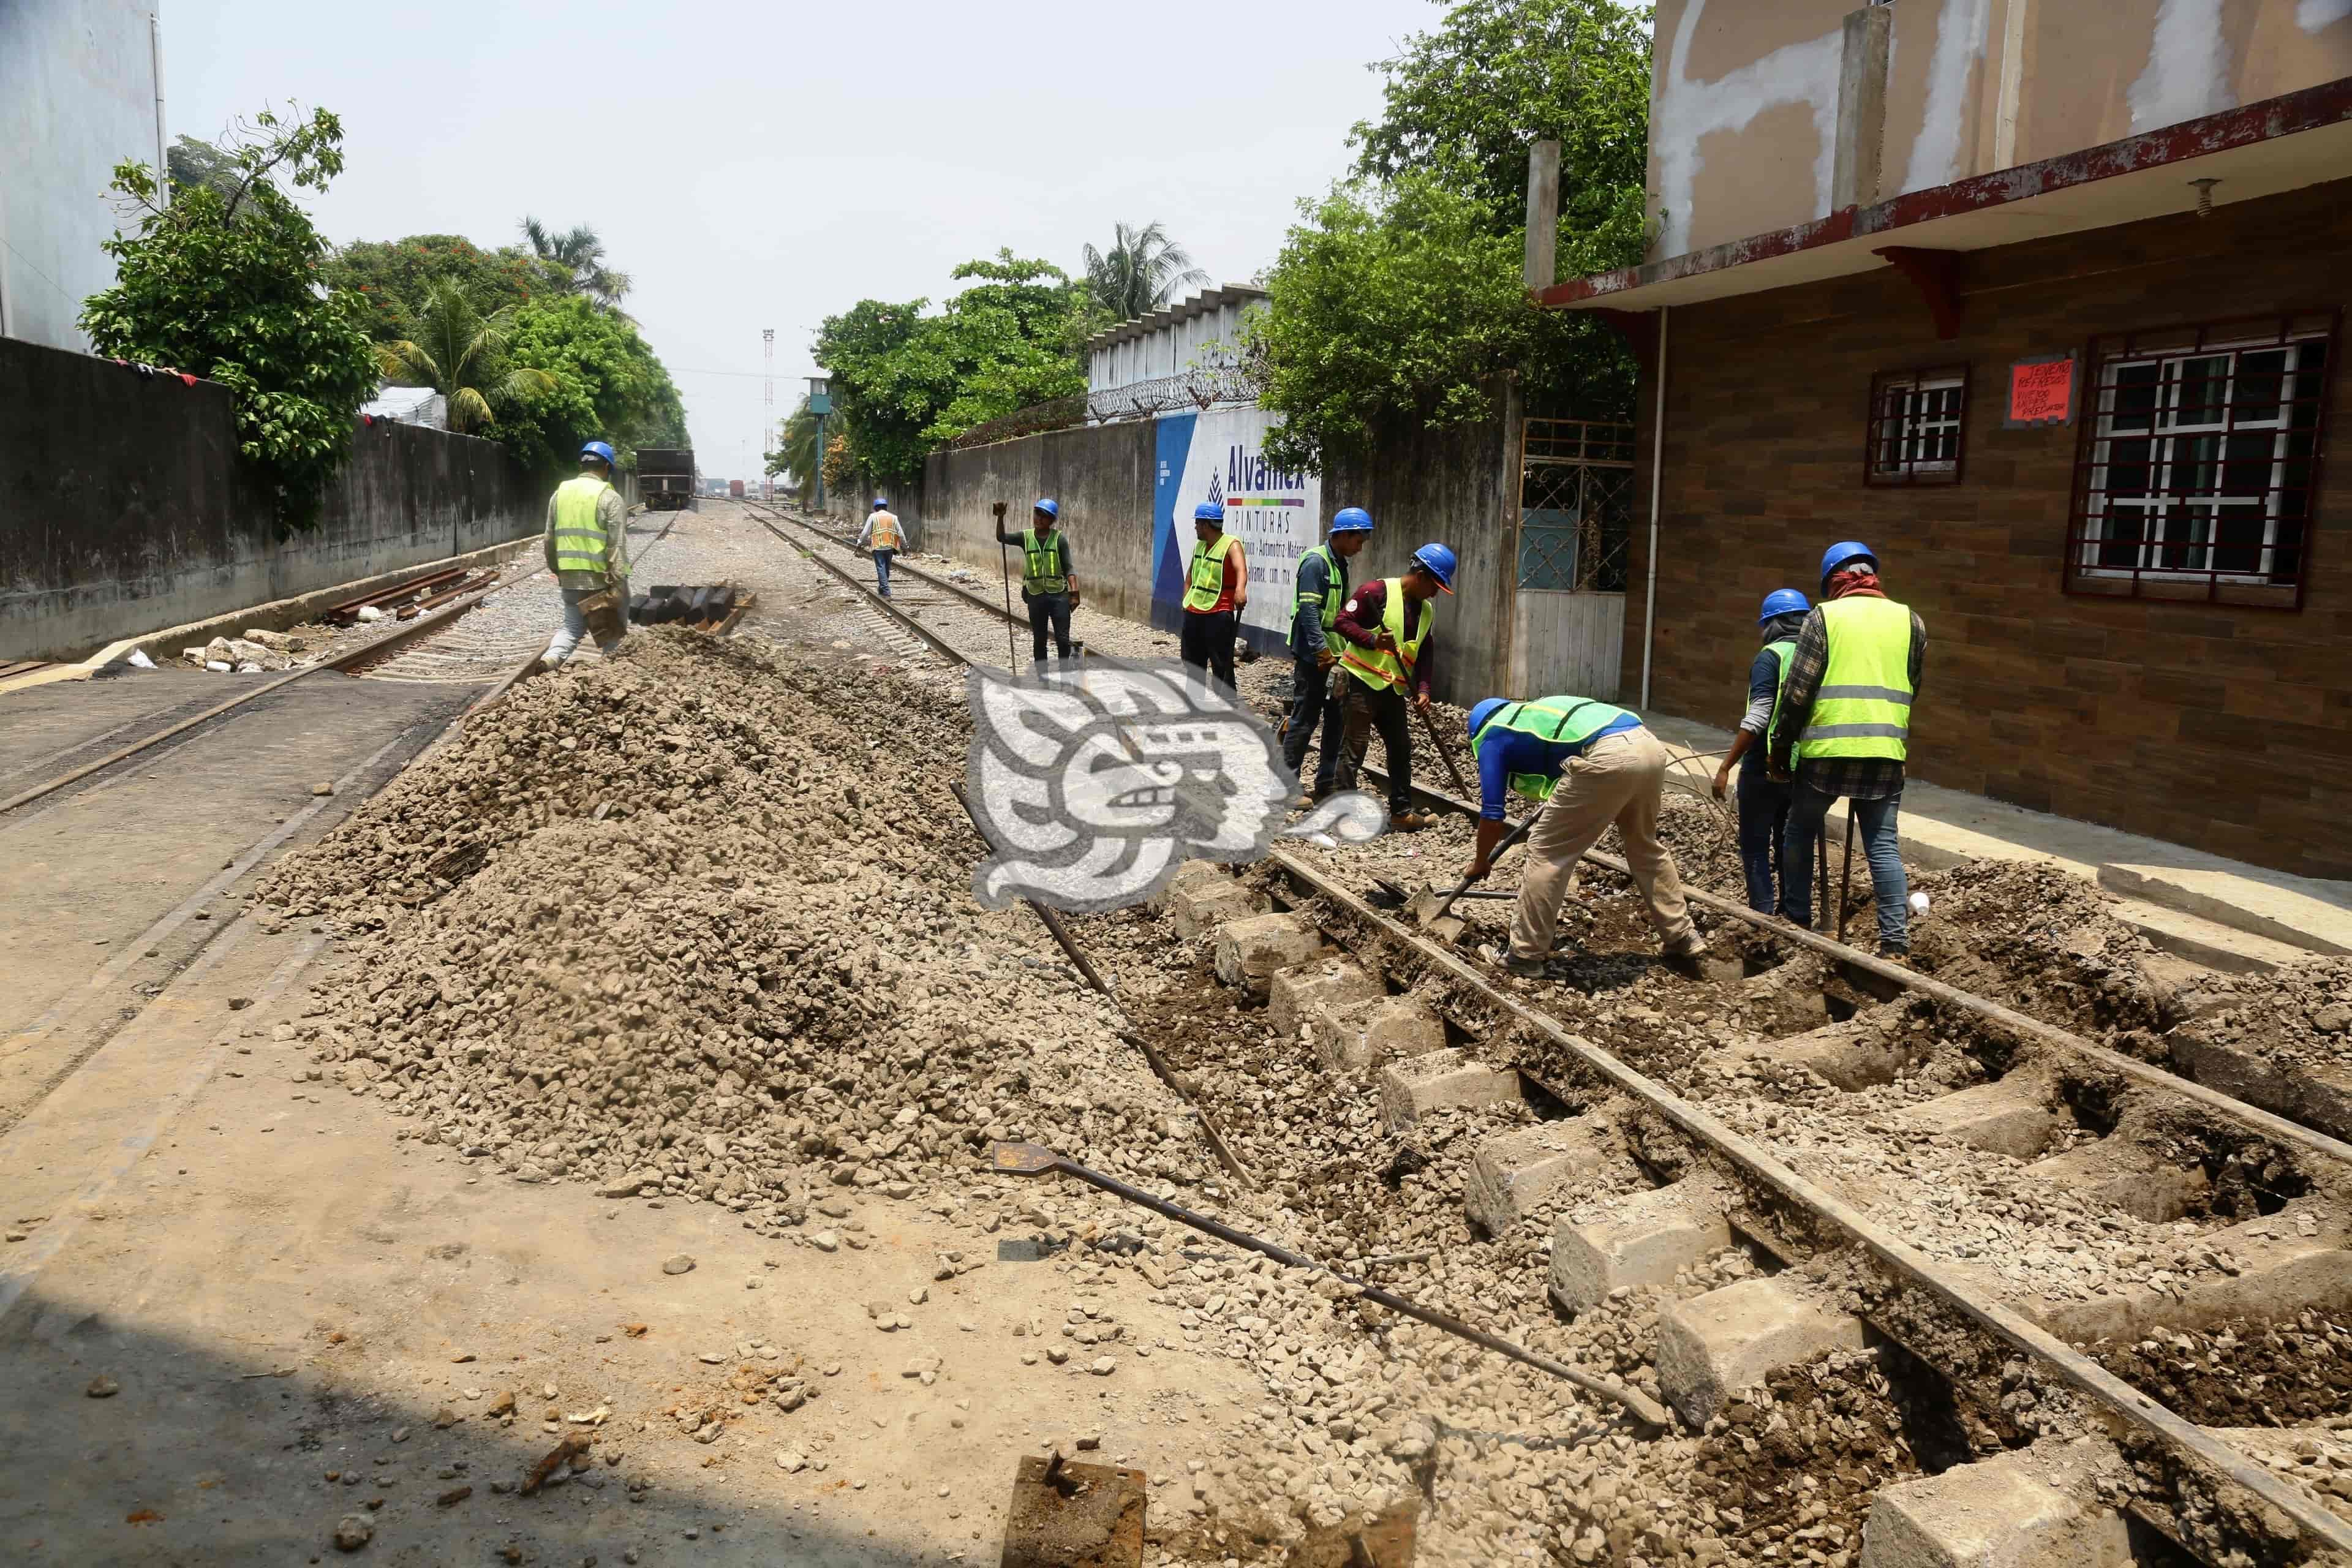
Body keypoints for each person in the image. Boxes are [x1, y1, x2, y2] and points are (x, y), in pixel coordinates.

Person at [1464, 696, 1708, 976]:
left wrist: (1481, 860)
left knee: (1547, 850)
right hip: (1649, 745)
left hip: (1609, 754)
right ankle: (1682, 936)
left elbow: (1493, 814)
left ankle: (1524, 955)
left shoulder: (1492, 737)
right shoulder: (1535, 715)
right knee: (1644, 844)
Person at [1767, 541, 1928, 957]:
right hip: (1886, 753)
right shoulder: (1911, 621)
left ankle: (1797, 921)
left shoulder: (1824, 617)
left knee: (1800, 830)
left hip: (1827, 753)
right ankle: (1895, 943)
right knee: (1883, 845)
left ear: (1833, 583)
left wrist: (1781, 748)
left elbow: (1798, 691)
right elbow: (1914, 685)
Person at [1329, 544, 1456, 832]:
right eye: (1434, 586)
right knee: (1354, 748)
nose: (1435, 593)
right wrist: (1373, 641)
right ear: (1421, 575)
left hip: (1392, 691)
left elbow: (1424, 651)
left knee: (1401, 748)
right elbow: (1342, 622)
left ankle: (1401, 812)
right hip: (1361, 682)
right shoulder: (1375, 592)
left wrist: (1423, 689)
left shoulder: (1426, 611)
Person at [1713, 589, 1811, 918]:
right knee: (1791, 842)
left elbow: (1758, 717)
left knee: (1755, 845)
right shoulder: (1817, 656)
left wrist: (1726, 766)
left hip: (1766, 765)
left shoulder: (1771, 657)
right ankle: (1794, 915)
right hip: (1804, 766)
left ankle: (1762, 915)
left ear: (1774, 623)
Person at [1284, 507, 1374, 805]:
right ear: (1344, 535)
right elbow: (1309, 612)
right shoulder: (1316, 563)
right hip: (1315, 655)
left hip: (1334, 655)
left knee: (1335, 721)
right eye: (1358, 541)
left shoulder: (1339, 564)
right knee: (1305, 719)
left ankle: (1326, 783)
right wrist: (1321, 651)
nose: (1360, 547)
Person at [540, 440, 629, 669]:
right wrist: (618, 584)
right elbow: (616, 546)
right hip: (599, 579)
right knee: (611, 626)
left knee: (571, 626)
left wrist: (557, 569)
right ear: (607, 468)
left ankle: (551, 658)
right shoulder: (610, 498)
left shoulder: (560, 494)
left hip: (569, 576)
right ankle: (611, 669)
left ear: (582, 465)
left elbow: (549, 539)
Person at [996, 498, 1079, 665]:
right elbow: (1002, 537)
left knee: (1063, 640)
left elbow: (1069, 567)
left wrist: (1075, 592)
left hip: (1059, 596)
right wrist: (1000, 517)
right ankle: (1043, 681)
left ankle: (1066, 680)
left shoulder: (1059, 539)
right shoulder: (1025, 537)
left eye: (1044, 516)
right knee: (1039, 640)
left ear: (1052, 520)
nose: (1039, 519)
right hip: (1035, 596)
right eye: (1037, 514)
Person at [1178, 501, 1246, 688]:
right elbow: (1190, 575)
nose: (1195, 527)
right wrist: (1185, 601)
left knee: (1222, 665)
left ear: (1206, 525)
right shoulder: (1200, 546)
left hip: (1218, 613)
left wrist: (1240, 590)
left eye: (1198, 523)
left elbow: (1241, 569)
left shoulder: (1231, 545)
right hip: (1194, 612)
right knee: (1192, 663)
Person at [855, 496, 903, 598]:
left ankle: (886, 592)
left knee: (881, 568)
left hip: (878, 546)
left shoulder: (873, 517)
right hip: (890, 546)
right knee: (886, 568)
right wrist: (905, 545)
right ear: (886, 507)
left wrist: (859, 543)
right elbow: (901, 533)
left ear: (876, 508)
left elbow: (865, 533)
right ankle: (882, 588)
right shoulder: (893, 517)